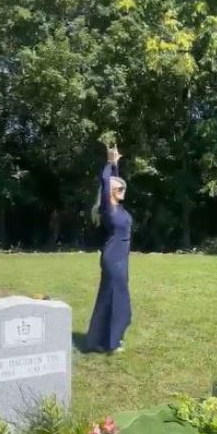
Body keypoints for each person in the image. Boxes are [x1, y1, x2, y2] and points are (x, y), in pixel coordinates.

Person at [86, 146, 131, 353]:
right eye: (119, 189)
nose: (123, 190)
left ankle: (98, 340)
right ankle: (110, 342)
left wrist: (116, 166)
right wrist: (109, 163)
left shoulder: (119, 208)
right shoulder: (108, 209)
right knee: (117, 299)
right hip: (113, 258)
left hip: (121, 258)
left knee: (111, 298)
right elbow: (106, 181)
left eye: (123, 188)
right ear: (111, 192)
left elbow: (114, 180)